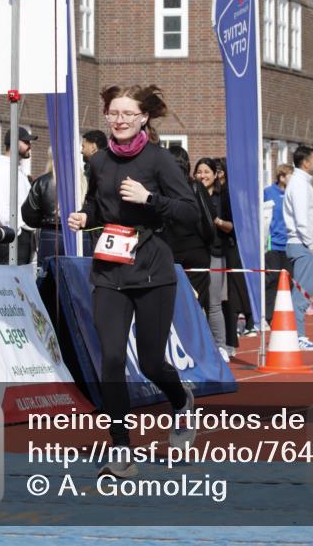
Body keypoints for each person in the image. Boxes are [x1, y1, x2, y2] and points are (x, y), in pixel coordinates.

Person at [68, 84, 200, 477]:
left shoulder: (160, 161)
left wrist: (150, 200)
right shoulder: (100, 161)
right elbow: (95, 204)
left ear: (143, 118)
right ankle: (121, 448)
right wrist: (83, 216)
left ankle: (180, 401)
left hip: (152, 270)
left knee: (151, 362)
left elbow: (190, 213)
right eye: (113, 113)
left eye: (128, 114)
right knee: (109, 358)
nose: (120, 120)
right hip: (109, 269)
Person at [162, 146, 215, 313]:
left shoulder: (162, 188)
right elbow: (208, 217)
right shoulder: (195, 187)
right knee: (196, 304)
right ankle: (196, 337)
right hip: (197, 249)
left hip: (170, 250)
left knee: (172, 302)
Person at [282, 144, 313, 351]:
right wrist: (312, 243)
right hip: (303, 244)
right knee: (302, 293)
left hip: (304, 243)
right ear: (306, 163)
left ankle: (295, 334)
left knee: (302, 291)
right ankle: (298, 335)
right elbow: (301, 218)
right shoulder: (298, 184)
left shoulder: (301, 183)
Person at [194, 156, 234, 361]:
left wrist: (216, 220)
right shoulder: (191, 195)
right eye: (199, 172)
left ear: (215, 175)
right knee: (196, 303)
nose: (202, 176)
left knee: (215, 303)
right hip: (195, 254)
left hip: (216, 254)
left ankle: (220, 346)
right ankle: (200, 345)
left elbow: (231, 226)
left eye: (206, 172)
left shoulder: (222, 197)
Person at [0, 126, 37, 264]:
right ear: (15, 143)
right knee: (9, 283)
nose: (29, 146)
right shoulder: (1, 169)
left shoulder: (16, 169)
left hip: (21, 236)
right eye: (26, 142)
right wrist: (18, 230)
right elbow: (0, 206)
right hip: (11, 238)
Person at [263, 163, 293, 325]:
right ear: (282, 177)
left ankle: (283, 316)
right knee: (272, 279)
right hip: (272, 244)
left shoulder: (294, 194)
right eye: (290, 177)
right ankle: (266, 317)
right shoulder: (268, 192)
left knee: (289, 281)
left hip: (289, 244)